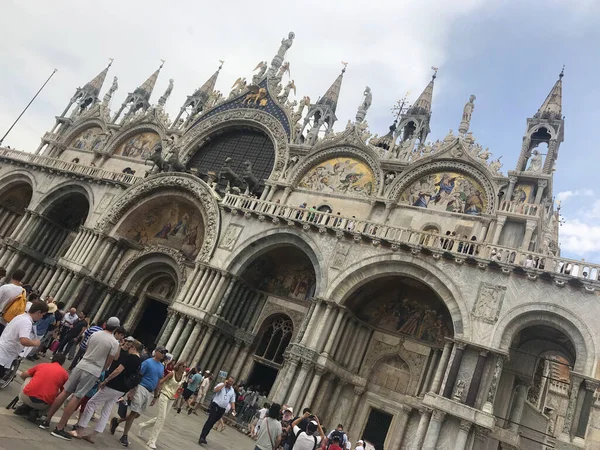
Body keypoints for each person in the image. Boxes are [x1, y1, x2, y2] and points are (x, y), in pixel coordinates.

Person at [41, 317, 122, 441]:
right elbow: (110, 361)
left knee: (65, 392)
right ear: (116, 328)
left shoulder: (95, 333)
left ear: (106, 324)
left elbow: (86, 346)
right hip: (93, 369)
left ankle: (46, 420)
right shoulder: (114, 342)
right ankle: (60, 427)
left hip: (82, 364)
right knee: (77, 397)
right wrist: (101, 370)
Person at [71, 339, 142, 443]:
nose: (128, 350)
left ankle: (80, 430)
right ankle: (93, 435)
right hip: (122, 389)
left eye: (130, 348)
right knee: (107, 410)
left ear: (133, 348)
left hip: (114, 385)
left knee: (91, 403)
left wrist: (106, 380)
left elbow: (118, 370)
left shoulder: (131, 357)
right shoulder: (140, 361)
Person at [110, 345, 169, 448]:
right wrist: (132, 390)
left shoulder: (161, 367)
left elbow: (158, 382)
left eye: (164, 353)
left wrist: (156, 396)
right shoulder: (147, 362)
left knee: (137, 414)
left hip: (149, 392)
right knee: (133, 412)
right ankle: (124, 435)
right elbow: (137, 375)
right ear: (157, 352)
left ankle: (117, 421)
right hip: (141, 387)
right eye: (162, 352)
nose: (163, 354)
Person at [139, 360, 186, 449]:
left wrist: (179, 392)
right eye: (183, 366)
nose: (184, 369)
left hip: (172, 398)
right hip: (164, 395)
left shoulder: (183, 376)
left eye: (185, 367)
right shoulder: (172, 373)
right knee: (162, 418)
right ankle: (152, 440)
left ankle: (143, 425)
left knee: (161, 417)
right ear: (179, 366)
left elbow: (179, 387)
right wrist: (156, 393)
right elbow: (161, 382)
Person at [0, 300, 47, 378]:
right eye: (42, 315)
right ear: (38, 312)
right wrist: (35, 343)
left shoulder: (21, 316)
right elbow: (24, 340)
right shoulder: (27, 322)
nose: (42, 317)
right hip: (5, 353)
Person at [14, 353, 68, 418]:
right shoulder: (64, 374)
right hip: (43, 404)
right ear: (63, 363)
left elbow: (23, 375)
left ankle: (20, 403)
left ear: (52, 359)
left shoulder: (42, 365)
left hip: (26, 397)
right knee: (60, 395)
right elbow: (63, 392)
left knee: (28, 378)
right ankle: (41, 413)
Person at [198, 376, 237, 445]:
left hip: (222, 409)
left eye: (232, 382)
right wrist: (223, 385)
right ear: (227, 380)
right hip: (216, 405)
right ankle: (202, 437)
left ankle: (204, 437)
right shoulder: (221, 385)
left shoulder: (232, 390)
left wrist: (233, 409)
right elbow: (215, 390)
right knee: (210, 420)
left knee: (212, 422)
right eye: (229, 381)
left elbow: (232, 401)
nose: (230, 383)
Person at [0, 268, 26, 334]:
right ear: (21, 278)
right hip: (6, 321)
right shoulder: (22, 292)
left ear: (12, 275)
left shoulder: (5, 287)